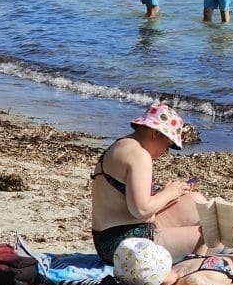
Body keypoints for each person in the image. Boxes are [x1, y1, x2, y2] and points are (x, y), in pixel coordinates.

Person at [89, 103, 207, 262]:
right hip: (123, 244)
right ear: (155, 133)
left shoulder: (123, 145)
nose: (166, 152)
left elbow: (130, 203)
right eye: (168, 145)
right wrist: (169, 193)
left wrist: (170, 193)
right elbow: (141, 210)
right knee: (213, 236)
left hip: (111, 236)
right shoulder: (139, 156)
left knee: (195, 201)